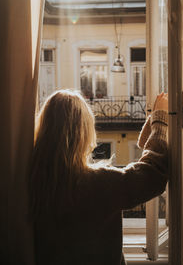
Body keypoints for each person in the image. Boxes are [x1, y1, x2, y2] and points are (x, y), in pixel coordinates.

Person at [29, 90, 168, 265]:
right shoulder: (100, 183)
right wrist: (160, 120)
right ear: (84, 134)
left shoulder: (30, 182)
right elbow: (152, 175)